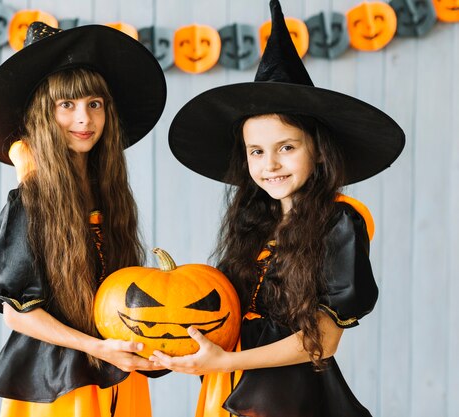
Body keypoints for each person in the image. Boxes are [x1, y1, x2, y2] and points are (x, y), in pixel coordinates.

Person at [161, 1, 405, 416]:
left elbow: (322, 341)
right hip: (227, 385)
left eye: (286, 148)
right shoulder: (255, 221)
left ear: (319, 152)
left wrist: (228, 362)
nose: (269, 164)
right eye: (256, 151)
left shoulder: (339, 221)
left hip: (286, 397)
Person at [0, 22, 167, 417]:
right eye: (68, 105)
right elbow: (17, 312)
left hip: (117, 370)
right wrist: (96, 347)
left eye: (94, 104)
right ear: (45, 114)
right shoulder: (30, 202)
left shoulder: (111, 195)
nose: (85, 119)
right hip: (61, 384)